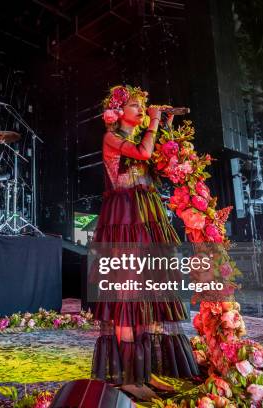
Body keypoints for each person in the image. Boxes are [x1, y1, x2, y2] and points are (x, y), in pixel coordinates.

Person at [91, 85, 199, 390]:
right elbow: (143, 153)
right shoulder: (112, 137)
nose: (142, 110)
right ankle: (129, 376)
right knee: (129, 293)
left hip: (147, 215)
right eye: (136, 106)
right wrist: (153, 122)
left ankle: (146, 371)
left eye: (144, 106)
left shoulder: (140, 135)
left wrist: (165, 126)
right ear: (117, 112)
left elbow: (159, 162)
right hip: (124, 217)